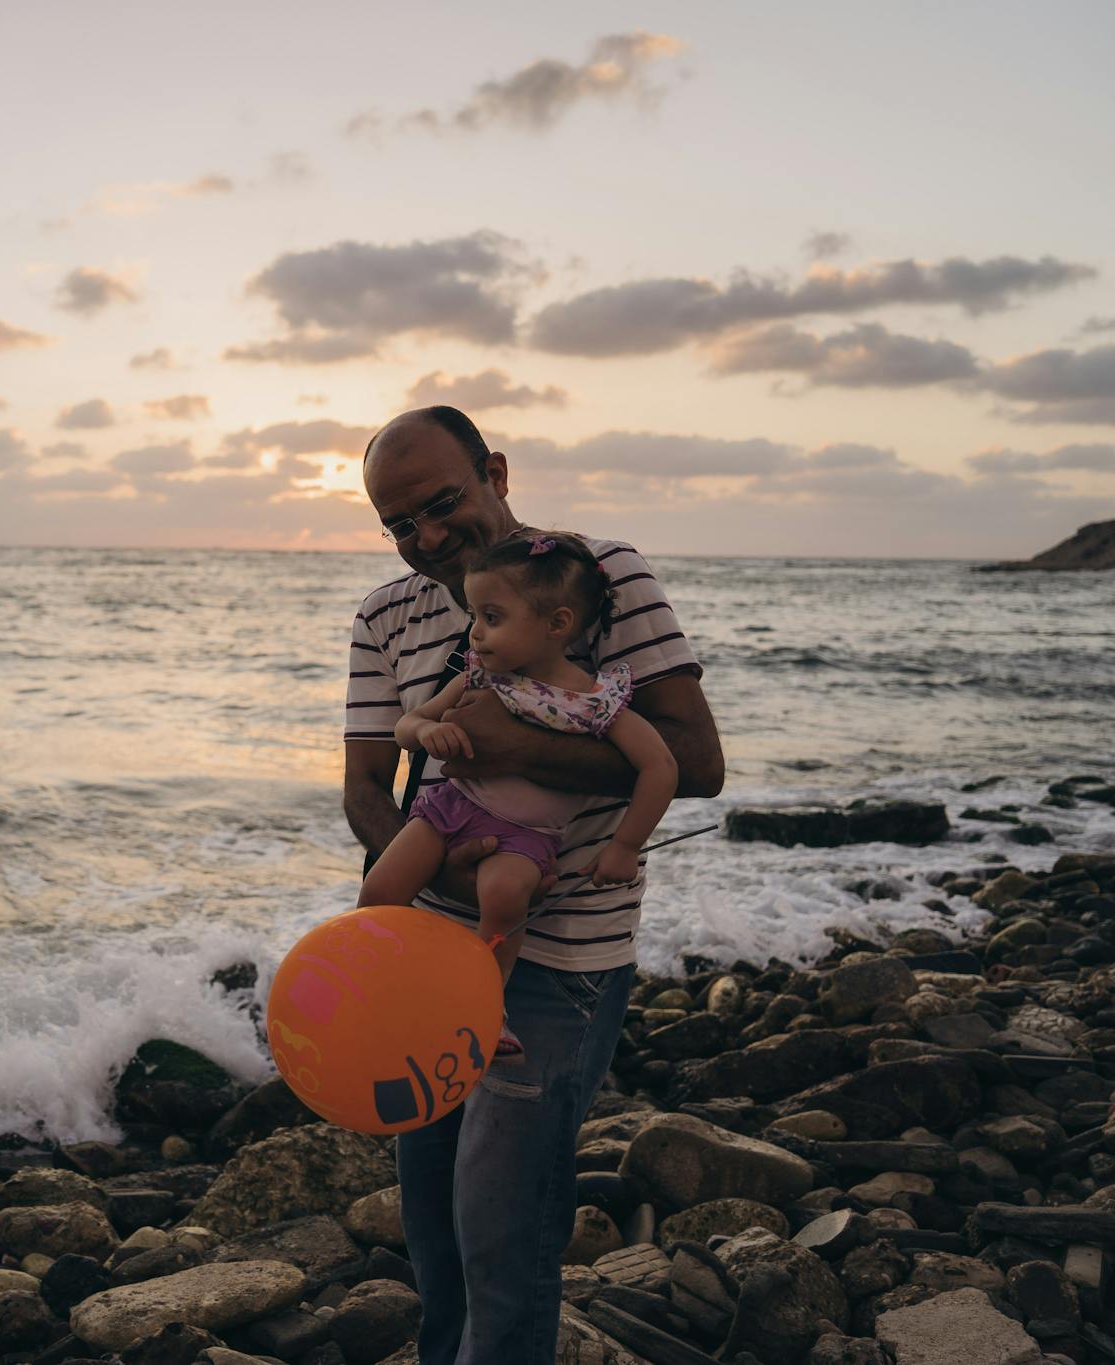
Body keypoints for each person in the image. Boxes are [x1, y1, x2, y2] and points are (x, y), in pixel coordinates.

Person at [342, 406, 723, 1365]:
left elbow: (695, 758)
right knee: (432, 1232)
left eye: (441, 503)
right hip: (430, 957)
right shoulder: (385, 615)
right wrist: (436, 869)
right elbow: (362, 785)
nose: (425, 537)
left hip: (560, 964)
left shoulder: (598, 578)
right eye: (399, 524)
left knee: (503, 1235)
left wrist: (523, 753)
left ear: (495, 471)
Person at [358, 532, 679, 1064]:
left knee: (505, 899)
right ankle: (375, 980)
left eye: (492, 617)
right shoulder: (481, 677)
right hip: (449, 811)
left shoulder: (596, 702)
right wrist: (425, 734)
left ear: (556, 624)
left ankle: (490, 1004)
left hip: (526, 838)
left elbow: (661, 766)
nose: (476, 634)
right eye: (474, 617)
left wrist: (626, 845)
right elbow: (407, 725)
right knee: (380, 890)